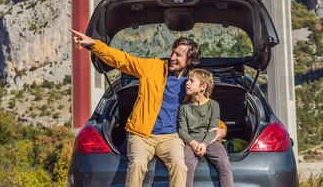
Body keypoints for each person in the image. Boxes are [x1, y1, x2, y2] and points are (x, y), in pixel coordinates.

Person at [70, 29, 227, 187]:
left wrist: (221, 129)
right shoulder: (152, 67)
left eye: (178, 55)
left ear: (190, 60)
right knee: (138, 164)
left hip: (171, 137)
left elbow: (203, 109)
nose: (172, 57)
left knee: (180, 166)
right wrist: (94, 44)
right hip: (141, 135)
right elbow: (123, 60)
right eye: (173, 53)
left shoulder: (191, 83)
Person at [178, 69, 233, 187]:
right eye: (187, 80)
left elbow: (213, 129)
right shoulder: (184, 107)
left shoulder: (213, 105)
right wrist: (193, 144)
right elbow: (182, 131)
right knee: (187, 165)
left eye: (191, 81)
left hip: (210, 140)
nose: (187, 83)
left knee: (224, 162)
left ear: (203, 87)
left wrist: (204, 144)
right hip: (191, 141)